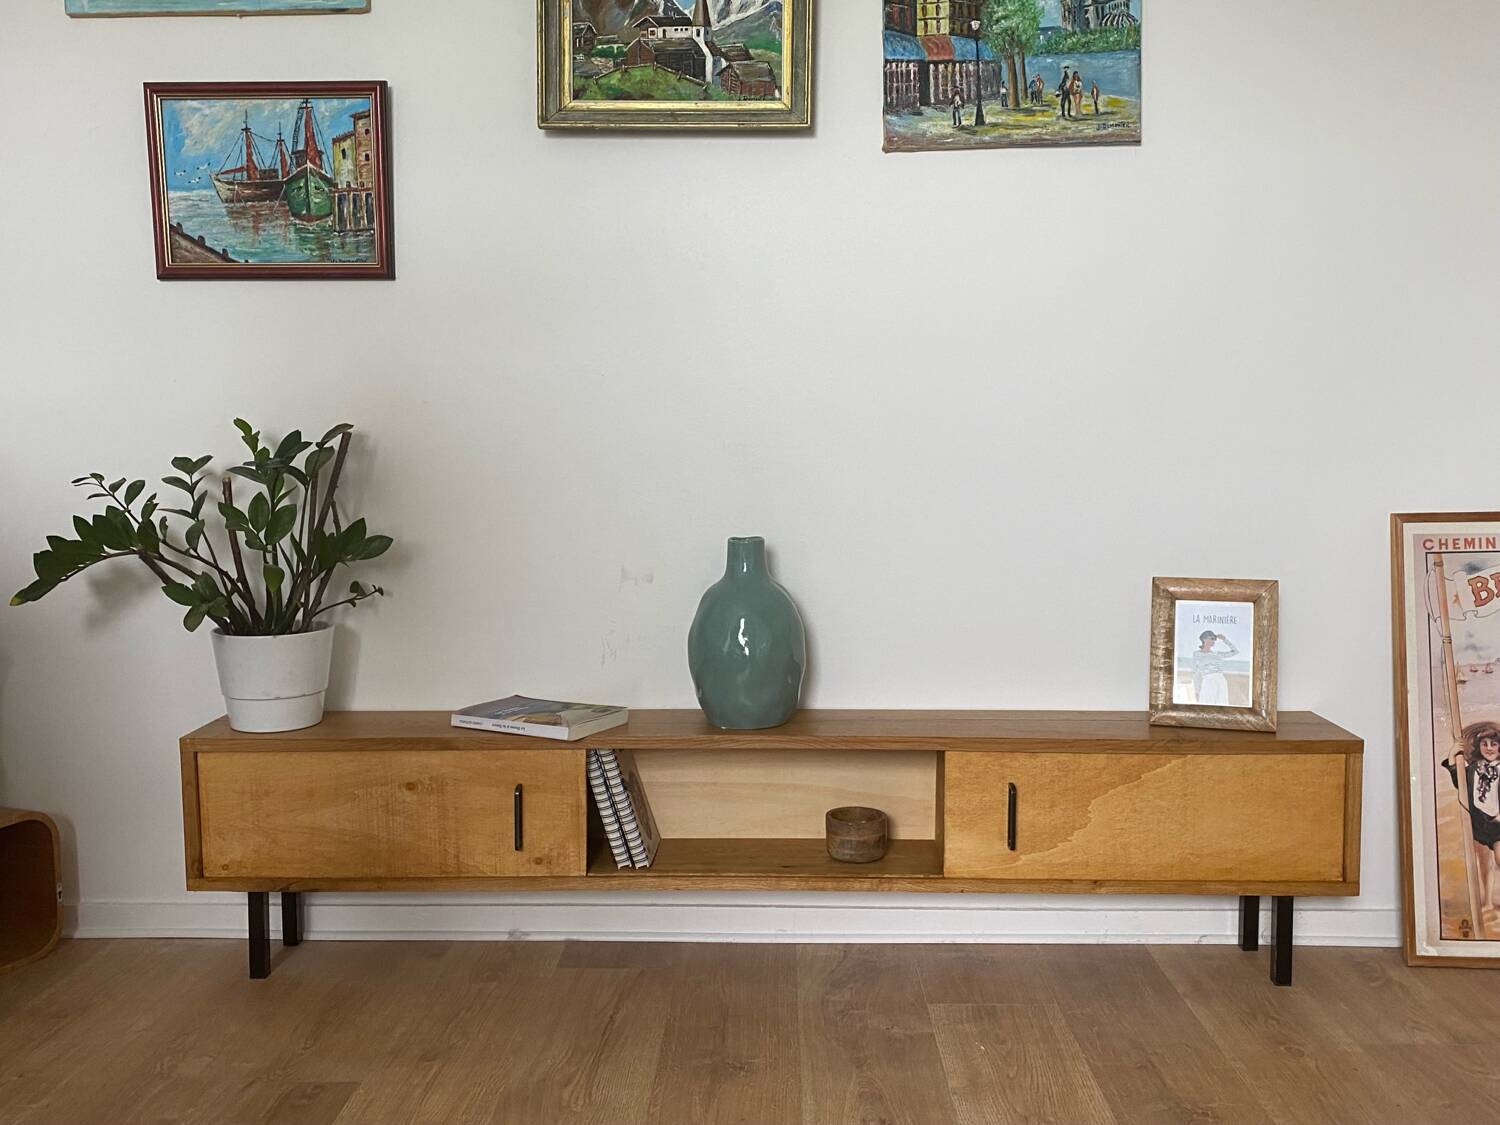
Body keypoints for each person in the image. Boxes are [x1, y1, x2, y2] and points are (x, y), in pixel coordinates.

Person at [1446, 722, 1500, 908]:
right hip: (1478, 822)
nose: (1489, 748)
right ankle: (1487, 903)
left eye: (1493, 744)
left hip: (1498, 822)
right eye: (1484, 744)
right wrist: (1452, 755)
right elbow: (1458, 781)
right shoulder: (1474, 767)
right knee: (1484, 862)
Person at [1190, 630, 1238, 705]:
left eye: (1214, 639)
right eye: (1211, 638)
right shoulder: (1196, 654)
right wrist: (1196, 690)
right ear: (1204, 639)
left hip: (1221, 680)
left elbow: (1235, 651)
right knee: (1206, 704)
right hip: (1208, 680)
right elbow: (1195, 672)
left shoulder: (1216, 654)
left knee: (1222, 704)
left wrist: (1225, 639)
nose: (1213, 641)